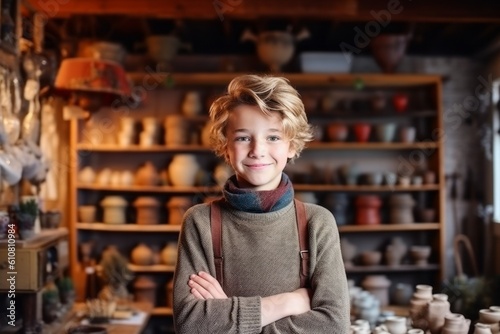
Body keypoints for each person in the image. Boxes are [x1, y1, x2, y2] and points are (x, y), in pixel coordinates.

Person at [173, 74, 350, 333]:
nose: (257, 150)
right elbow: (190, 324)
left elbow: (334, 325)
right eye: (243, 137)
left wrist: (228, 319)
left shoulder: (317, 223)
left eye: (273, 138)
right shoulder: (200, 222)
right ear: (226, 146)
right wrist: (286, 302)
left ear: (292, 145)